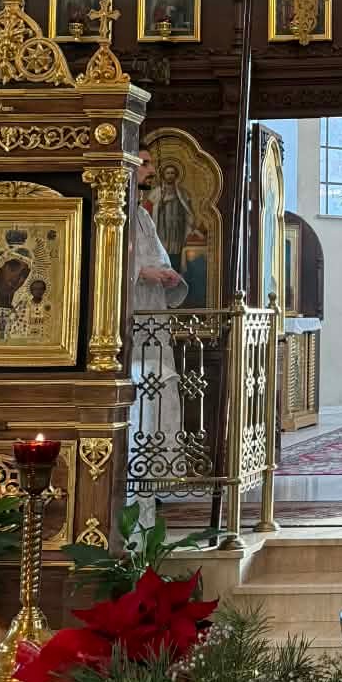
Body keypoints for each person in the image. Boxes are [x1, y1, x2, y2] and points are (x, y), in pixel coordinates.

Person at [131, 153, 188, 500]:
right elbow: (102, 264)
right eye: (145, 163)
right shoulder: (114, 210)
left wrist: (167, 274)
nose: (151, 170)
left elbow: (159, 257)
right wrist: (141, 272)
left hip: (152, 316)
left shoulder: (142, 215)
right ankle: (133, 479)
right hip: (128, 320)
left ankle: (151, 479)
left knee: (155, 387)